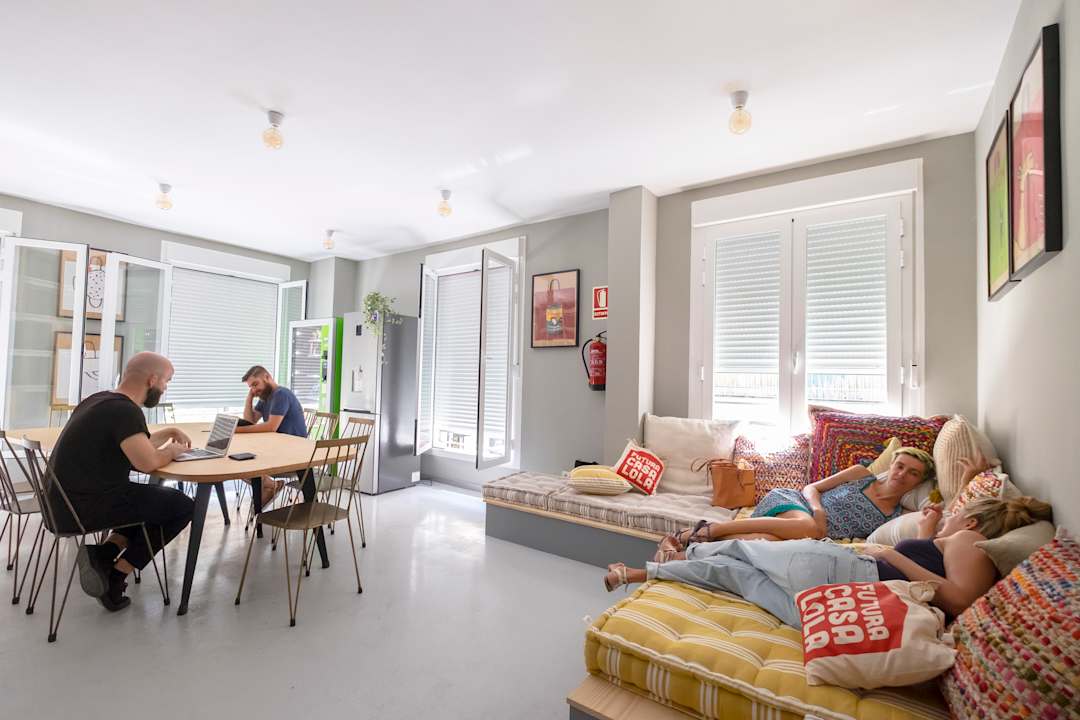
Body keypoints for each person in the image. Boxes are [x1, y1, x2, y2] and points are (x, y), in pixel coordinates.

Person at [603, 496, 1052, 628]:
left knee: (739, 552)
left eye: (956, 513)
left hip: (849, 574)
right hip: (840, 599)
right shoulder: (954, 543)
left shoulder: (970, 539)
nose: (949, 516)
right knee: (736, 576)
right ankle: (638, 573)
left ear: (972, 521)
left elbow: (959, 598)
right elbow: (930, 573)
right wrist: (926, 529)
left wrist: (890, 552)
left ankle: (684, 549)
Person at [49, 352, 195, 611]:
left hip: (60, 505)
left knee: (153, 503)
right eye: (167, 381)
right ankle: (116, 577)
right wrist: (172, 451)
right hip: (85, 508)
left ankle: (103, 555)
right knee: (183, 507)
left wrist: (170, 432)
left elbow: (134, 446)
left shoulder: (101, 401)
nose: (165, 388)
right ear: (152, 380)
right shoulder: (126, 411)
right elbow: (147, 462)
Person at [655, 448, 951, 560]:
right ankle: (712, 529)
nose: (902, 474)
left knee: (766, 542)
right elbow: (812, 487)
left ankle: (686, 551)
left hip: (802, 532)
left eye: (913, 473)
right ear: (892, 465)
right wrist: (818, 511)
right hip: (794, 504)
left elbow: (924, 536)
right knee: (808, 527)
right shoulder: (862, 475)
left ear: (919, 482)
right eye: (900, 466)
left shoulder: (897, 515)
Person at [235, 365, 308, 506]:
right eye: (250, 387)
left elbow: (271, 427)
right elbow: (250, 421)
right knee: (237, 460)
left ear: (267, 377)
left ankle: (270, 486)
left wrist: (237, 430)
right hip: (277, 449)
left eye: (255, 384)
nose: (254, 390)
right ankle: (271, 485)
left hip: (295, 454)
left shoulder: (281, 394)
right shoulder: (265, 398)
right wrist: (249, 398)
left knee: (241, 462)